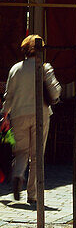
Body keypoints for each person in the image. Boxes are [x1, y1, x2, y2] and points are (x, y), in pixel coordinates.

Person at [3, 35, 61, 203]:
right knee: (37, 156)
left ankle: (18, 174)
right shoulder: (44, 68)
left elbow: (9, 96)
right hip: (40, 114)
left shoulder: (16, 69)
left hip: (18, 114)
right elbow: (55, 91)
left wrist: (5, 115)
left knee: (21, 152)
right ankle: (33, 195)